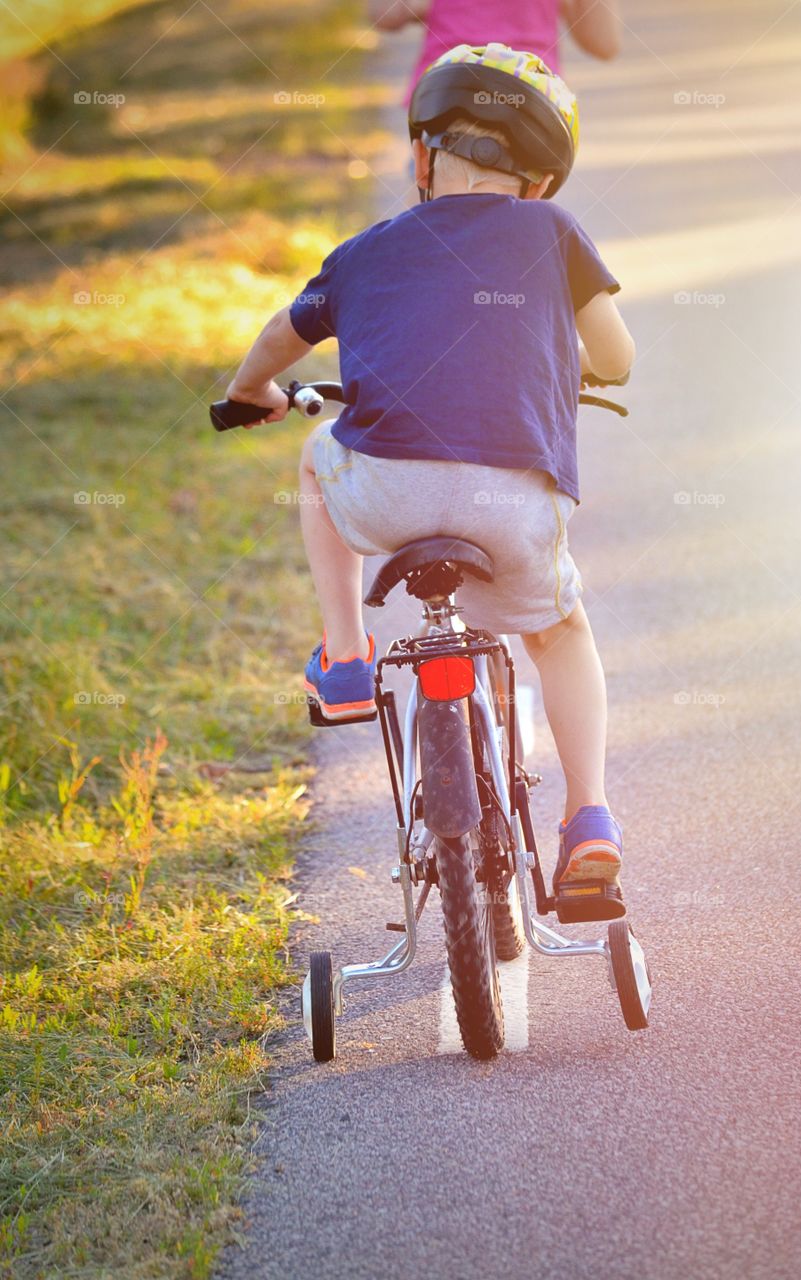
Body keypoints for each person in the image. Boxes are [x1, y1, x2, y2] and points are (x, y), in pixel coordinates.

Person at [225, 44, 634, 897]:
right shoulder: (554, 233)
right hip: (512, 505)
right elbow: (618, 359)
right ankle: (587, 816)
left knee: (314, 456)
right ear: (538, 185)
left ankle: (342, 658)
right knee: (560, 634)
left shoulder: (365, 250)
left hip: (387, 494)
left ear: (422, 158)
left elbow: (279, 334)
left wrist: (250, 389)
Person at [369, 0, 623, 102]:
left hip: (446, 88)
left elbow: (385, 15)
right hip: (530, 91)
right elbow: (604, 44)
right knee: (528, 203)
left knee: (429, 205)